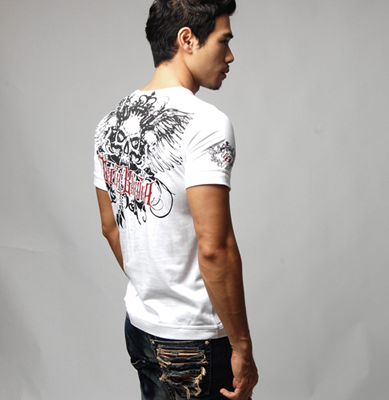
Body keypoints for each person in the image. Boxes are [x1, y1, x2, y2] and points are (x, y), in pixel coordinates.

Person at [94, 1, 258, 399]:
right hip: (196, 340)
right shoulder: (206, 124)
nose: (230, 56)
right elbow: (215, 249)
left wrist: (156, 287)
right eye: (223, 41)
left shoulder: (109, 123)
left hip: (141, 325)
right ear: (187, 39)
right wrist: (241, 346)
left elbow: (111, 228)